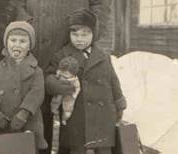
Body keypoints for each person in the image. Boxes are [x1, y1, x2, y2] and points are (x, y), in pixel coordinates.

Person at [14, 0, 111, 148]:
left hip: (74, 53)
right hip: (40, 52)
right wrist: (28, 27)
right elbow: (16, 0)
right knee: (39, 125)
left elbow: (102, 2)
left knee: (74, 127)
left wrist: (87, 35)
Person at [47, 9, 127, 154]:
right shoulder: (62, 55)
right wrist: (57, 85)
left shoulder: (102, 55)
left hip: (103, 115)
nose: (79, 39)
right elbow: (49, 76)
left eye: (85, 34)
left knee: (103, 148)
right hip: (77, 116)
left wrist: (119, 101)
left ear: (94, 34)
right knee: (78, 147)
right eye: (75, 34)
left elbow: (113, 80)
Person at [0, 21, 48, 154]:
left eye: (23, 41)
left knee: (25, 148)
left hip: (26, 123)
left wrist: (23, 114)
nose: (17, 45)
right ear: (6, 43)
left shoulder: (36, 71)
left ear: (30, 45)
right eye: (13, 40)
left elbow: (36, 94)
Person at [50, 56, 80, 126]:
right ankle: (55, 115)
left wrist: (74, 95)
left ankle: (64, 119)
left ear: (73, 73)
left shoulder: (74, 80)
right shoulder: (60, 72)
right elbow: (57, 76)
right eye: (62, 72)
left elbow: (77, 88)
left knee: (67, 109)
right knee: (55, 102)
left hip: (69, 96)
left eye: (66, 74)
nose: (63, 74)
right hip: (60, 92)